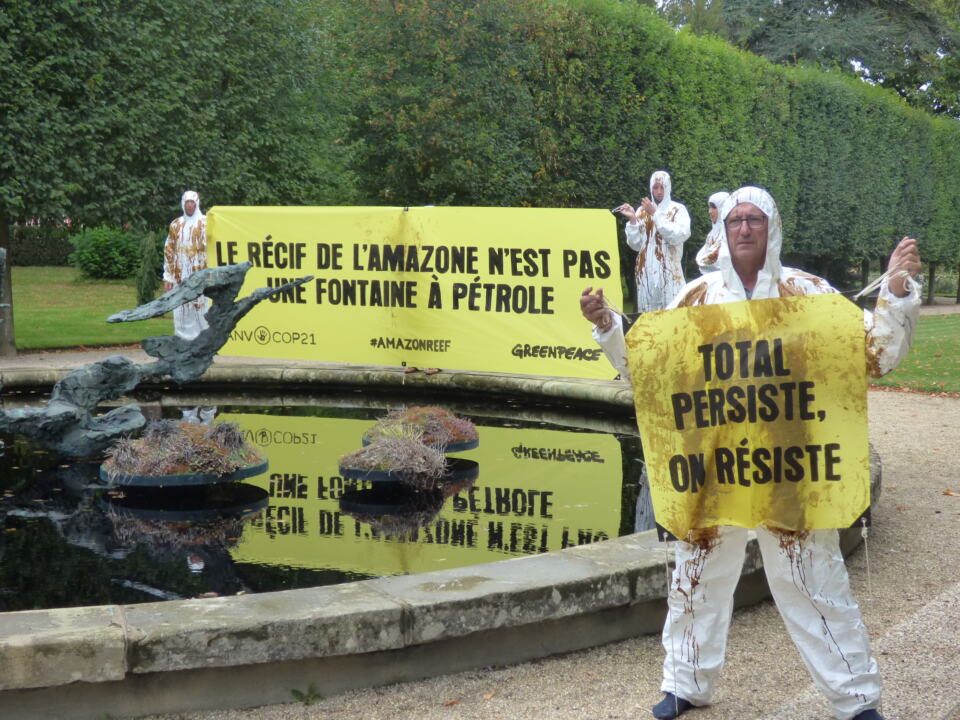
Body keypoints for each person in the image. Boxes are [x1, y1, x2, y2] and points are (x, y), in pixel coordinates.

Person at [582, 186, 921, 720]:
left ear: (772, 228)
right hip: (714, 466)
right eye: (736, 220)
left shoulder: (807, 292)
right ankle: (684, 683)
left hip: (792, 468)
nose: (743, 229)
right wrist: (607, 327)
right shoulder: (694, 298)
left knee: (815, 582)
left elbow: (872, 356)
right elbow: (649, 369)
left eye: (754, 220)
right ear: (723, 230)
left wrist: (897, 291)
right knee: (695, 577)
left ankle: (856, 698)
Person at [164, 190, 214, 423]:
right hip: (181, 277)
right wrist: (168, 277)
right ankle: (184, 351)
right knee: (182, 317)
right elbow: (169, 250)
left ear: (198, 203)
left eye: (193, 203)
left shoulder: (206, 224)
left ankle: (203, 354)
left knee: (202, 317)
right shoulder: (176, 225)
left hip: (201, 276)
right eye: (187, 203)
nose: (190, 206)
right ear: (183, 204)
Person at [614, 170, 691, 312]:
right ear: (651, 188)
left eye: (662, 187)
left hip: (670, 273)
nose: (659, 191)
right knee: (648, 316)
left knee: (672, 312)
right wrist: (632, 220)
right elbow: (636, 245)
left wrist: (656, 214)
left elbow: (678, 235)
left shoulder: (678, 209)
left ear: (668, 187)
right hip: (646, 274)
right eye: (655, 187)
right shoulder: (642, 212)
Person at [694, 190, 729, 274]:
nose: (710, 211)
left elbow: (718, 261)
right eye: (709, 207)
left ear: (723, 208)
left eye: (714, 207)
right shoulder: (711, 234)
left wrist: (702, 260)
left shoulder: (729, 233)